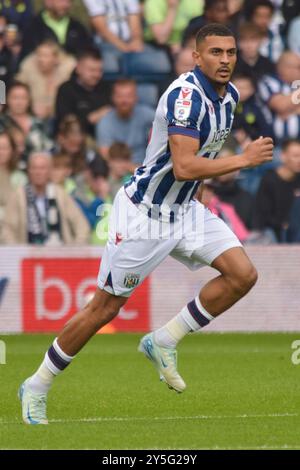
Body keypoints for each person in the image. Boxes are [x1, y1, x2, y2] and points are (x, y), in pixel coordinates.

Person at [18, 24, 274, 425]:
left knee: (243, 274)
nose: (225, 60)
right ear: (195, 56)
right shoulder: (185, 97)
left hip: (185, 210)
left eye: (230, 52)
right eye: (215, 52)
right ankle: (37, 384)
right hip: (145, 215)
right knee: (105, 308)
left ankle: (164, 339)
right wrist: (243, 159)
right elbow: (185, 163)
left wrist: (200, 195)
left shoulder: (230, 97)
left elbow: (201, 156)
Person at [2, 151, 90, 245]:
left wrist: (76, 249)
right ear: (28, 171)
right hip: (27, 255)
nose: (38, 172)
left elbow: (82, 225)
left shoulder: (60, 194)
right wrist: (16, 252)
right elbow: (7, 229)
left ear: (49, 171)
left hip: (58, 253)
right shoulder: (19, 195)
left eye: (42, 168)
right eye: (34, 168)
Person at [96, 79, 155, 165]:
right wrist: (132, 169)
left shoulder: (148, 115)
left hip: (147, 167)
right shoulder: (105, 122)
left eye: (129, 96)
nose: (124, 101)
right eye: (120, 96)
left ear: (136, 98)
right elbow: (106, 156)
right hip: (117, 171)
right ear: (113, 98)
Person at [55, 47, 111, 136]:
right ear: (78, 68)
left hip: (105, 137)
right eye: (92, 70)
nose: (96, 75)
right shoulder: (65, 90)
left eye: (100, 70)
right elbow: (65, 122)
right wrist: (90, 119)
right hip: (76, 138)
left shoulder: (108, 88)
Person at [253, 138, 300, 242]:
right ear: (283, 156)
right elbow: (262, 214)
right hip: (272, 231)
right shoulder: (269, 180)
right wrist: (283, 224)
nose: (299, 160)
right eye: (296, 156)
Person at [17, 39, 76, 121]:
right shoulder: (29, 67)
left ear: (56, 59)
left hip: (59, 117)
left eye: (45, 56)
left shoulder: (66, 71)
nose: (41, 59)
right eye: (39, 55)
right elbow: (16, 89)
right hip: (32, 116)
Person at [21, 0, 92, 59]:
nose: (66, 5)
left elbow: (87, 55)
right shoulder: (33, 27)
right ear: (48, 1)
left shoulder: (78, 28)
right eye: (61, 1)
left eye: (69, 1)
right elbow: (26, 57)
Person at [258, 51, 300, 145]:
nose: (298, 70)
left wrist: (290, 108)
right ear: (282, 67)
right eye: (297, 67)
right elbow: (281, 106)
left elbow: (285, 107)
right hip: (275, 145)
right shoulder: (269, 81)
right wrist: (291, 107)